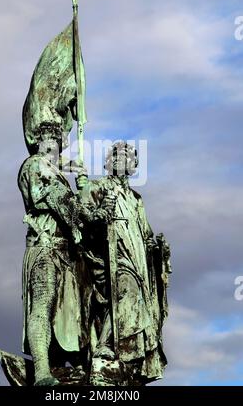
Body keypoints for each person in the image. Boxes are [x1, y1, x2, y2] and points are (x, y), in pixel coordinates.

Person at [18, 125, 115, 386]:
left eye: (57, 142)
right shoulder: (35, 165)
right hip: (45, 247)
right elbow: (59, 201)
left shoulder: (56, 171)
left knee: (75, 313)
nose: (52, 146)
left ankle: (67, 365)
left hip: (65, 252)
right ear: (39, 142)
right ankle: (41, 372)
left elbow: (73, 210)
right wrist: (89, 213)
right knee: (43, 305)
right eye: (48, 141)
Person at [77, 141, 171, 383]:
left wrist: (155, 247)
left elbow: (145, 234)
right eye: (116, 155)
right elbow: (79, 218)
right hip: (108, 260)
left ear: (134, 166)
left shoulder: (136, 199)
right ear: (109, 162)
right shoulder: (97, 188)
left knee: (137, 298)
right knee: (127, 291)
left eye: (127, 156)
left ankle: (127, 359)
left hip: (137, 262)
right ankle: (106, 347)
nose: (121, 159)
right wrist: (99, 216)